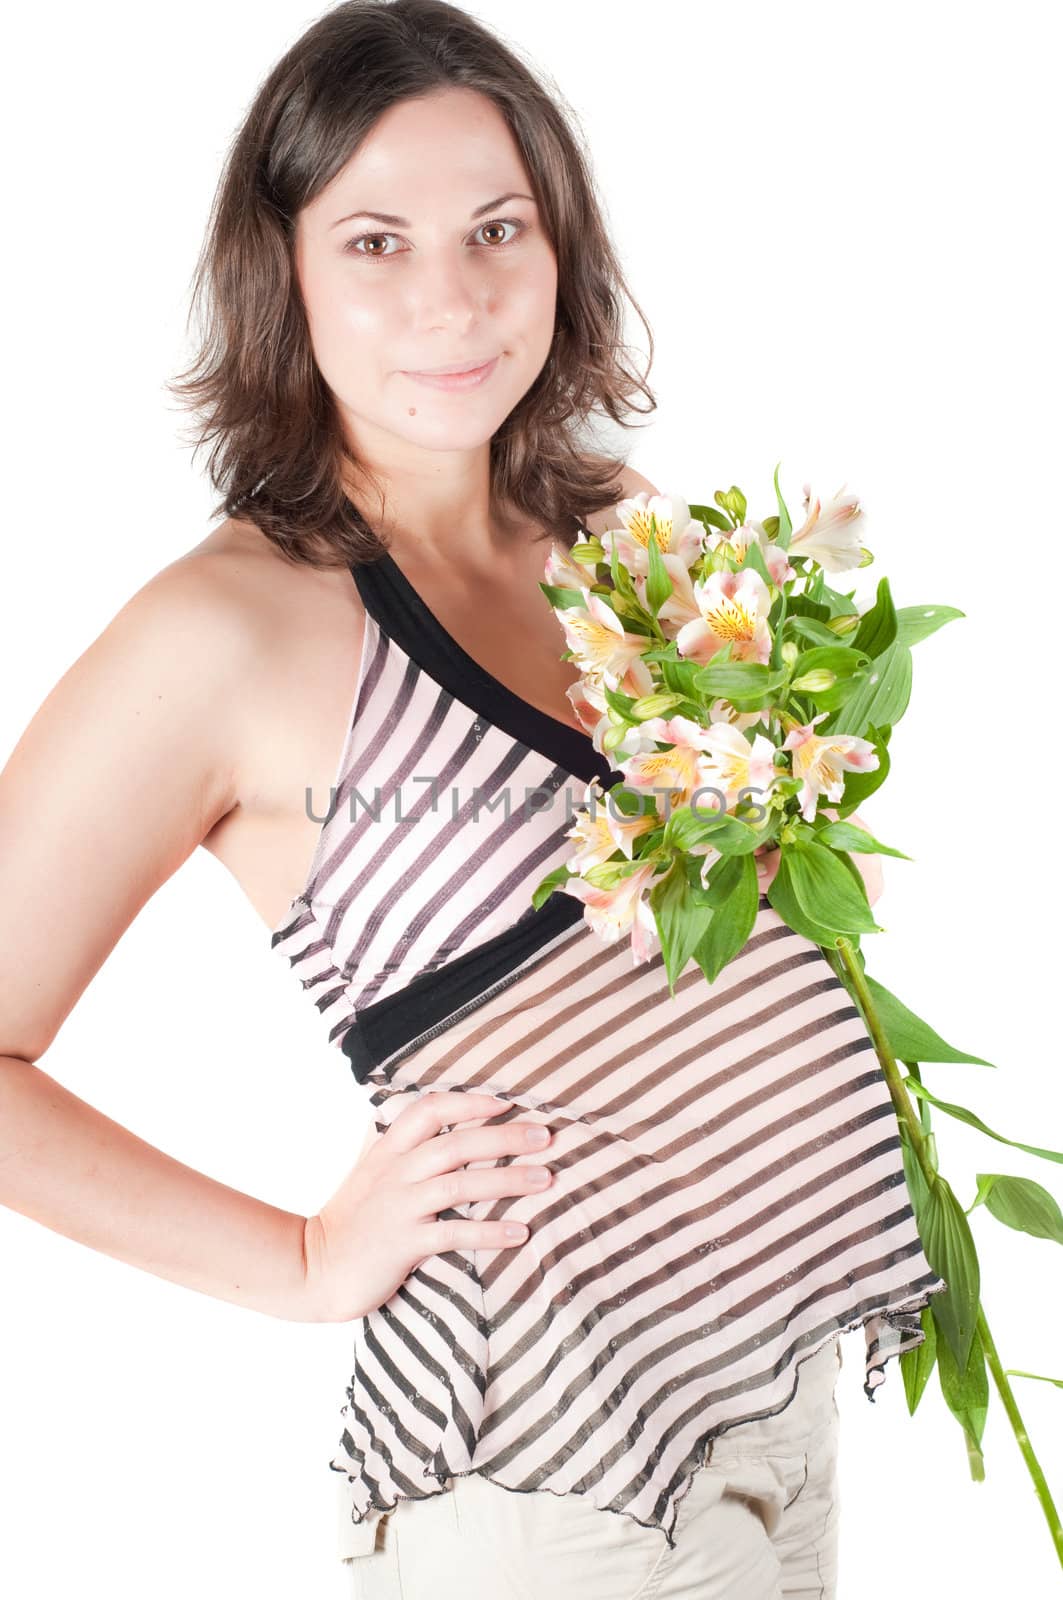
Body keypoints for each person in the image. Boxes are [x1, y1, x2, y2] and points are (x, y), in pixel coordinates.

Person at [0, 3, 945, 1596]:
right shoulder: (224, 633)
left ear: (558, 241)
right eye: (375, 240)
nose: (450, 298)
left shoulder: (626, 537)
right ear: (282, 272)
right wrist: (304, 1261)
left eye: (495, 228)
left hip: (768, 1417)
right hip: (543, 1473)